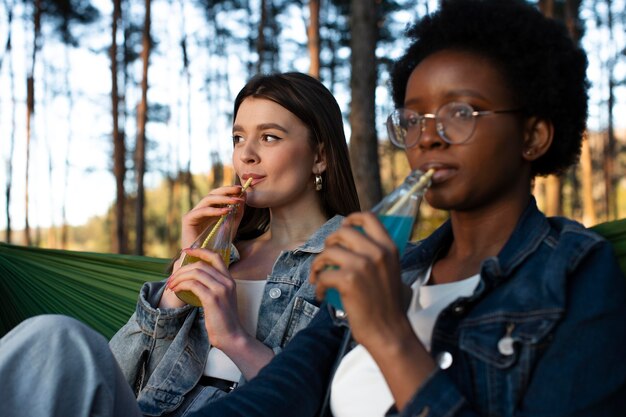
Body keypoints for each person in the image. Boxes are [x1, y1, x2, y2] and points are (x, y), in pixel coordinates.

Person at [189, 1, 626, 416]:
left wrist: (388, 333)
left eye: (461, 112)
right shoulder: (395, 266)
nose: (428, 137)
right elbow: (279, 395)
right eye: (414, 119)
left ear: (533, 137)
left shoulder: (573, 272)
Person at [0, 72, 359, 417]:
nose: (245, 154)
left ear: (320, 156)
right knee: (54, 336)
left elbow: (334, 402)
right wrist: (179, 279)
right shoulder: (223, 254)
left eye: (269, 137)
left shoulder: (358, 260)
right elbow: (117, 379)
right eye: (238, 138)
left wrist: (233, 337)